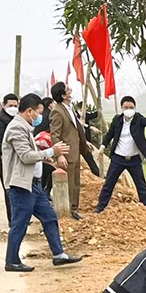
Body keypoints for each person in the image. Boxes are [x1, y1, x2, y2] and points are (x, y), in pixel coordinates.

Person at [0, 93, 83, 271]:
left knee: (50, 217)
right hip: (22, 185)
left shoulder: (25, 127)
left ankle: (58, 255)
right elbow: (26, 156)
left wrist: (44, 160)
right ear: (30, 111)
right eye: (39, 112)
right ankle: (12, 260)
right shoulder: (16, 128)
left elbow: (31, 156)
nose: (40, 117)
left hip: (34, 185)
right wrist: (51, 151)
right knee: (20, 223)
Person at [96, 96, 146, 211]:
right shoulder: (117, 120)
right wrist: (103, 146)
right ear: (122, 108)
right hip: (118, 158)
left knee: (141, 185)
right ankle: (100, 207)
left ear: (134, 108)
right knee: (109, 184)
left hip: (134, 159)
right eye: (126, 107)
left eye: (131, 107)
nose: (128, 109)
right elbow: (110, 134)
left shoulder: (138, 118)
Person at [48, 81, 93, 219]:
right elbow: (55, 135)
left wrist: (85, 143)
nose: (70, 90)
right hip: (66, 153)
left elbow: (76, 129)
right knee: (69, 183)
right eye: (67, 89)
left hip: (75, 151)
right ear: (63, 95)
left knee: (75, 183)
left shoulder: (69, 108)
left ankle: (74, 209)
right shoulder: (57, 111)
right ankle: (67, 212)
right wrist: (60, 155)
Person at [0, 94, 19, 223]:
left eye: (15, 106)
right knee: (9, 191)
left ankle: (20, 217)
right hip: (6, 161)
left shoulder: (18, 119)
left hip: (20, 160)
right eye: (10, 105)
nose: (13, 108)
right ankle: (12, 219)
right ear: (4, 105)